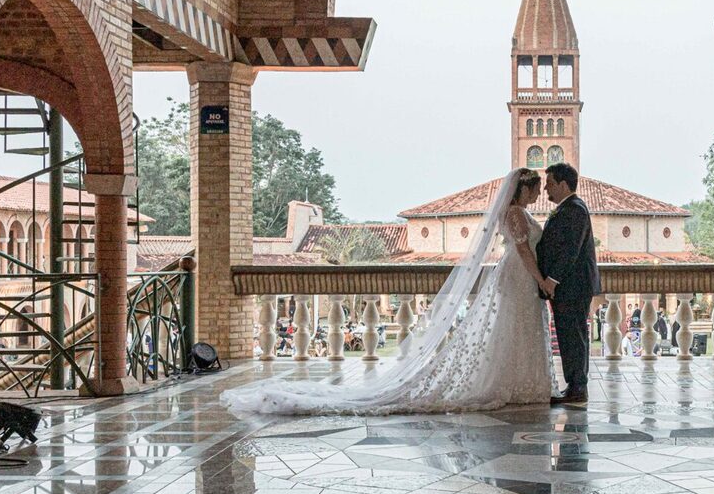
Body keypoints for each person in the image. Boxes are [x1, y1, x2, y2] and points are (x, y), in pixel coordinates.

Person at [219, 168, 554, 415]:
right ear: (525, 189)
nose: (540, 194)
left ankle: (518, 382)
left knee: (514, 330)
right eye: (537, 189)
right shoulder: (515, 213)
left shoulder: (516, 212)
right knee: (515, 328)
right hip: (520, 275)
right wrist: (541, 279)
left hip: (516, 276)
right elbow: (524, 251)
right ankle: (516, 384)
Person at [536, 162, 601, 406]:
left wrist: (552, 280)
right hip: (569, 285)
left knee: (572, 335)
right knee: (570, 334)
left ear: (563, 184)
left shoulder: (574, 209)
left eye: (550, 183)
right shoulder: (569, 208)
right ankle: (575, 385)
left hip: (572, 286)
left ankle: (577, 387)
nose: (545, 189)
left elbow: (570, 250)